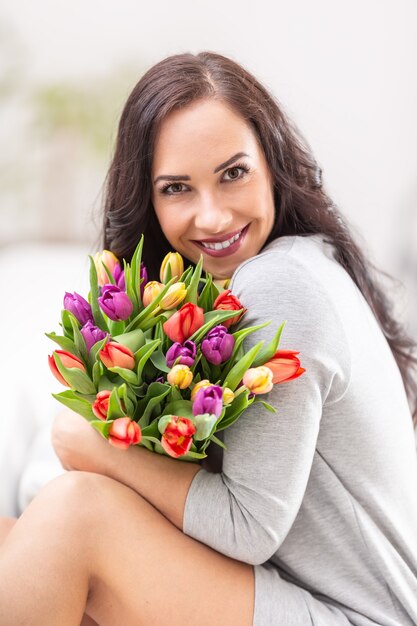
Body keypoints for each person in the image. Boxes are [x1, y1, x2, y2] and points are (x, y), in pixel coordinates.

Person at [0, 51, 417, 626]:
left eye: (233, 173)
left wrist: (90, 444)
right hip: (284, 592)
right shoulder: (224, 290)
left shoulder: (281, 281)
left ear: (271, 165)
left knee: (75, 517)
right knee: (15, 542)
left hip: (361, 614)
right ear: (148, 198)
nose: (214, 217)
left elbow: (250, 527)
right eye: (177, 188)